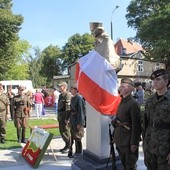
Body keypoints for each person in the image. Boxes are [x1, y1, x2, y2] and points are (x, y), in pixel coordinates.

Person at [143, 69, 170, 170]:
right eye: (153, 80)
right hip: (150, 145)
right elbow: (145, 123)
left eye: (158, 79)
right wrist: (145, 144)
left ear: (166, 82)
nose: (155, 82)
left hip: (164, 147)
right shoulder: (150, 100)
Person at [112, 78, 141, 170]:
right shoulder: (122, 101)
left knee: (130, 166)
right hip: (120, 139)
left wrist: (134, 143)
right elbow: (119, 118)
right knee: (124, 164)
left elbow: (136, 125)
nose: (120, 88)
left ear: (130, 89)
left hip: (128, 141)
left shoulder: (133, 104)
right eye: (120, 86)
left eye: (123, 86)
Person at [67, 84, 85, 158]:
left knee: (77, 137)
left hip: (77, 120)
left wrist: (80, 123)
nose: (70, 90)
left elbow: (81, 111)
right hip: (73, 119)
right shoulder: (73, 98)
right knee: (73, 136)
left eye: (71, 89)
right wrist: (68, 119)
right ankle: (75, 152)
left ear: (75, 89)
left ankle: (78, 153)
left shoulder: (79, 98)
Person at [57, 82, 71, 153]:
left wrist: (67, 118)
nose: (59, 88)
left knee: (66, 131)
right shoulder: (60, 95)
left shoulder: (67, 95)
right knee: (62, 131)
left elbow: (68, 108)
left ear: (64, 87)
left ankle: (69, 146)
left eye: (60, 86)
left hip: (64, 116)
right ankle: (66, 145)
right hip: (60, 116)